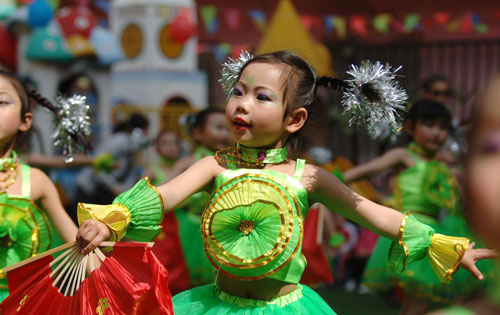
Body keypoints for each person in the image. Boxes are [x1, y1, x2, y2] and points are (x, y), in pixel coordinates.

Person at [76, 51, 494, 314]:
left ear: (294, 119)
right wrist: (110, 220)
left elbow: (371, 212)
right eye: (238, 91)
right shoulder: (215, 166)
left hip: (286, 308)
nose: (242, 104)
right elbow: (163, 195)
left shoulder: (309, 177)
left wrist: (443, 244)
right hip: (215, 305)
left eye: (261, 97)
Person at [344, 99, 490, 313]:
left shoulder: (445, 167)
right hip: (411, 232)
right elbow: (361, 172)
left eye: (443, 127)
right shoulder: (404, 156)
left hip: (438, 234)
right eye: (429, 124)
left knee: (445, 301)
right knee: (416, 302)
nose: (436, 133)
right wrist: (327, 181)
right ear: (411, 127)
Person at [0, 71, 80, 301]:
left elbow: (79, 247)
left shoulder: (36, 182)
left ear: (25, 121)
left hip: (23, 305)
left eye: (1, 102)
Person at [172, 108, 232, 286]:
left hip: (222, 230)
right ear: (198, 133)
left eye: (228, 129)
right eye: (218, 128)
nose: (224, 134)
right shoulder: (188, 162)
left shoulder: (232, 164)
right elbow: (167, 188)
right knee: (187, 280)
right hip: (190, 228)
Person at [69, 113, 150, 222]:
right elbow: (99, 167)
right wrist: (114, 187)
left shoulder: (131, 144)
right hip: (89, 190)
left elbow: (128, 170)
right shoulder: (119, 141)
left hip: (103, 191)